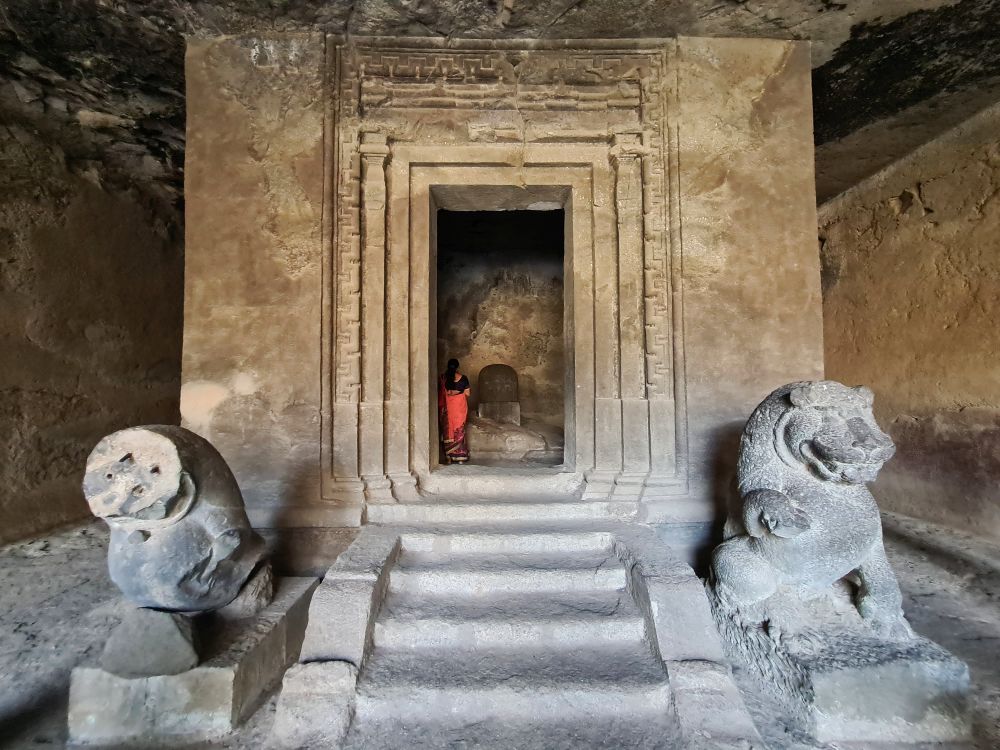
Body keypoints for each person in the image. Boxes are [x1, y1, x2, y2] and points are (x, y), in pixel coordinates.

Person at [438, 358, 471, 464]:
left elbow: (441, 394)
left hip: (447, 409)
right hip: (459, 408)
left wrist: (449, 393)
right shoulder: (464, 378)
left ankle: (448, 457)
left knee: (447, 431)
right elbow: (467, 394)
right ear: (457, 367)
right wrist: (458, 393)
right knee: (459, 431)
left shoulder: (443, 378)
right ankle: (460, 458)